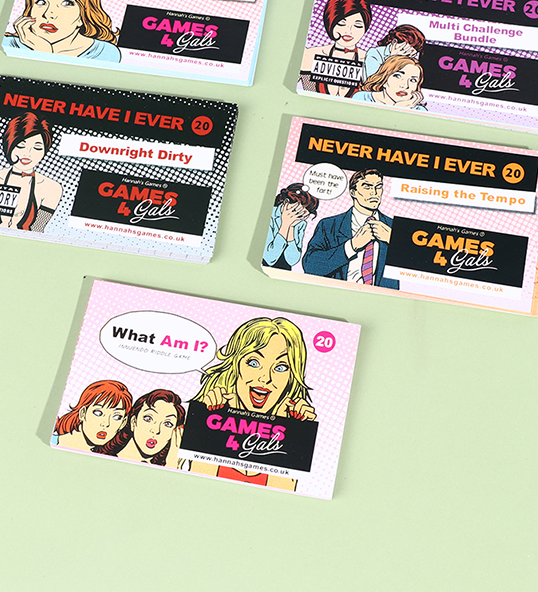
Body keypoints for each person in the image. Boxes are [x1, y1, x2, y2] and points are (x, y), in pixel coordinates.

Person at [189, 317, 315, 489]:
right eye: (254, 363)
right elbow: (197, 486)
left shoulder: (294, 427)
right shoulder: (209, 415)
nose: (265, 378)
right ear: (235, 366)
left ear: (291, 377)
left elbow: (282, 494)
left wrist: (291, 429)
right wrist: (213, 419)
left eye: (280, 367)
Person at [302, 168, 399, 289]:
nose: (374, 193)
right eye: (367, 187)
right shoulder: (329, 225)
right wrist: (352, 246)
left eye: (378, 187)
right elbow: (310, 266)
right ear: (353, 192)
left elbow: (416, 269)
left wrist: (394, 240)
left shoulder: (393, 227)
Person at [3, 0, 120, 62]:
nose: (48, 14)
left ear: (84, 14)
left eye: (66, 3)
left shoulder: (104, 53)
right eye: (41, 2)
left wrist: (43, 51)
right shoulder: (8, 44)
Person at [0, 112, 62, 231]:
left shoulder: (52, 188)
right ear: (9, 144)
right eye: (21, 146)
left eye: (37, 148)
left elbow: (38, 229)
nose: (27, 153)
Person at [299, 0, 372, 96]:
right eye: (342, 23)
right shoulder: (310, 54)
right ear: (330, 23)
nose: (349, 31)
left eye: (357, 26)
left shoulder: (370, 61)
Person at [99, 390, 185, 468]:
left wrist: (172, 465)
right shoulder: (102, 457)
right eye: (148, 419)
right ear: (133, 422)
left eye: (167, 424)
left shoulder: (168, 465)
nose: (156, 430)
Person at [53, 380, 132, 453]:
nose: (106, 423)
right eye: (98, 413)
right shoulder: (54, 442)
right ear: (83, 413)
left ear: (123, 423)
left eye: (117, 417)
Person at [262, 183, 319, 270]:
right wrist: (285, 225)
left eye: (302, 216)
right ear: (286, 202)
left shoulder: (300, 223)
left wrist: (291, 227)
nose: (297, 217)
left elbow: (292, 260)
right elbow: (269, 258)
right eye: (296, 212)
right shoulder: (269, 215)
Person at [352, 54, 427, 109]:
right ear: (384, 79)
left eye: (413, 80)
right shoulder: (362, 98)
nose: (405, 85)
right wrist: (397, 109)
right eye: (398, 76)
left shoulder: (419, 110)